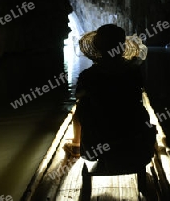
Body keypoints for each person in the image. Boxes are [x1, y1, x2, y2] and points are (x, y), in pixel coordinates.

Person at [66, 24, 156, 168]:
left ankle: (76, 145)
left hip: (94, 149)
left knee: (81, 105)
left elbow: (80, 105)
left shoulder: (88, 76)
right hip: (137, 147)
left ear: (98, 48)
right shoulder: (133, 73)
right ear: (122, 48)